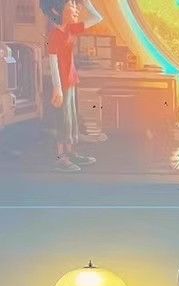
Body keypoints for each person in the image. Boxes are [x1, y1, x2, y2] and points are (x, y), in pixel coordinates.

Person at [41, 0, 103, 172]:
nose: (77, 9)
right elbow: (53, 61)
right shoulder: (55, 34)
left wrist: (86, 2)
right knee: (62, 120)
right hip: (62, 84)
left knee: (71, 119)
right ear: (58, 10)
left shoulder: (71, 29)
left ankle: (71, 153)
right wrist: (57, 87)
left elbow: (97, 17)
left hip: (71, 80)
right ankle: (61, 158)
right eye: (72, 5)